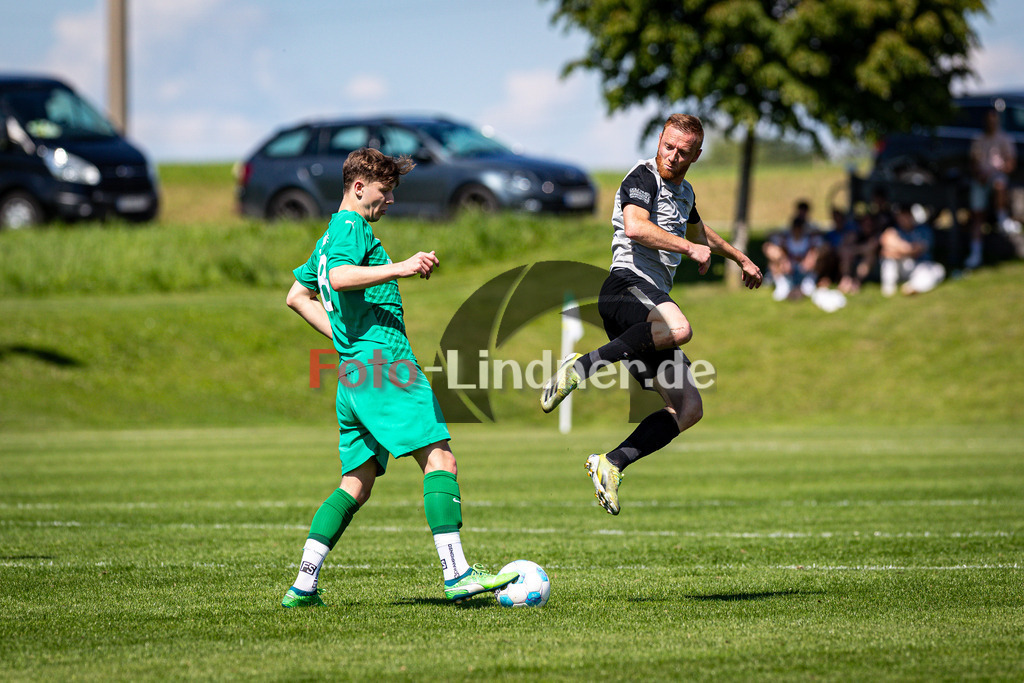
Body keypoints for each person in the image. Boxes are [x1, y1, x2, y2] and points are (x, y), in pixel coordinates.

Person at [281, 148, 517, 607]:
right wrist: (403, 266)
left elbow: (296, 295)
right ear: (358, 188)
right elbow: (345, 276)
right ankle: (457, 574)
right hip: (386, 367)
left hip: (354, 373)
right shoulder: (351, 227)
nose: (389, 201)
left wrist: (347, 338)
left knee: (357, 482)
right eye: (385, 192)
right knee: (440, 460)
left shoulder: (327, 237)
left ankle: (303, 585)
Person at [539, 114, 762, 515]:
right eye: (668, 146)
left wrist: (741, 258)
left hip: (647, 308)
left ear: (697, 154)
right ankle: (583, 365)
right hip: (626, 287)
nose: (673, 156)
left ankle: (611, 462)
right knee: (680, 327)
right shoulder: (642, 179)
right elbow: (636, 227)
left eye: (683, 152)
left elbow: (699, 232)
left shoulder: (684, 192)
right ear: (659, 140)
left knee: (689, 406)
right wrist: (688, 250)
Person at [966, 108, 1018, 270]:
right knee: (977, 216)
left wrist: (997, 170)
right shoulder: (978, 140)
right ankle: (975, 253)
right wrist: (980, 175)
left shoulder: (1004, 139)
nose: (991, 123)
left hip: (997, 177)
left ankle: (1002, 218)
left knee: (1000, 184)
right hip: (980, 181)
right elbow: (973, 164)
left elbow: (1011, 163)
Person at [762, 200, 824, 301]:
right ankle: (781, 284)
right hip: (788, 267)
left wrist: (811, 257)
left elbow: (821, 246)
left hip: (805, 267)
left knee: (819, 256)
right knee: (773, 256)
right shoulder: (785, 236)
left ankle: (809, 282)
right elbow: (768, 243)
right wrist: (783, 259)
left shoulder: (812, 234)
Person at [879, 204, 946, 297]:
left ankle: (912, 287)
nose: (903, 219)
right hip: (901, 265)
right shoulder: (894, 229)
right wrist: (905, 250)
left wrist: (897, 248)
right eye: (901, 216)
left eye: (906, 215)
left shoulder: (924, 230)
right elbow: (885, 245)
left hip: (919, 265)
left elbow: (916, 250)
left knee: (938, 270)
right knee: (888, 261)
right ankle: (889, 288)